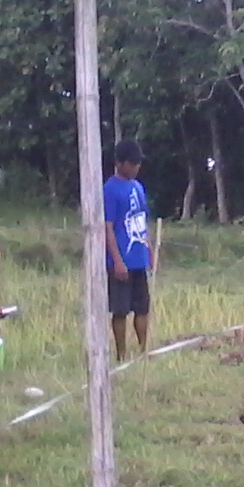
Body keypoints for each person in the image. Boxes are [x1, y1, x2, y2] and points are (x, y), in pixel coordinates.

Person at [104, 139, 153, 361]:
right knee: (121, 309)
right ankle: (121, 353)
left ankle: (144, 350)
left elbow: (143, 220)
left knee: (142, 307)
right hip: (121, 260)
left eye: (138, 163)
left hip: (139, 256)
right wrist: (117, 260)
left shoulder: (138, 187)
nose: (136, 167)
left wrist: (149, 250)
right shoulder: (110, 190)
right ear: (120, 163)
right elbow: (108, 227)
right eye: (132, 163)